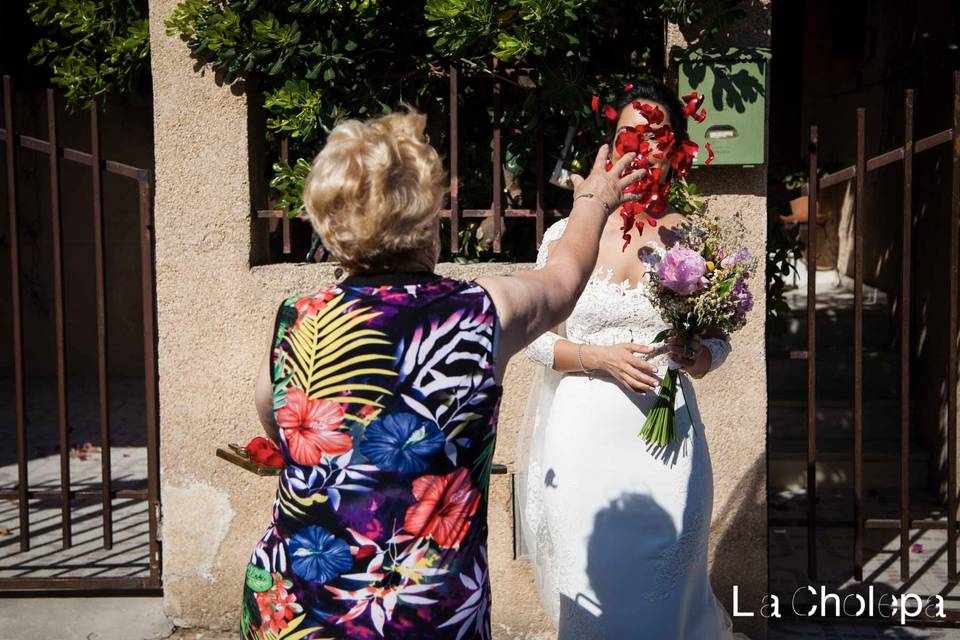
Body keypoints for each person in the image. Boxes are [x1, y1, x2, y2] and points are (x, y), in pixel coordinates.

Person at [240, 107, 644, 639]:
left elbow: (272, 410)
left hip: (294, 604)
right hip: (421, 611)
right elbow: (566, 277)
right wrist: (594, 200)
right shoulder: (481, 310)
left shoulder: (297, 316)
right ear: (426, 217)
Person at [517, 79, 748, 639]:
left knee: (661, 587)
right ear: (611, 144)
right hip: (580, 443)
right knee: (589, 582)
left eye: (656, 137)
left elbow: (719, 341)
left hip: (665, 441)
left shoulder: (696, 238)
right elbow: (535, 341)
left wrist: (697, 356)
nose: (640, 150)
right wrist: (597, 357)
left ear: (677, 149)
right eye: (627, 136)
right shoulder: (565, 236)